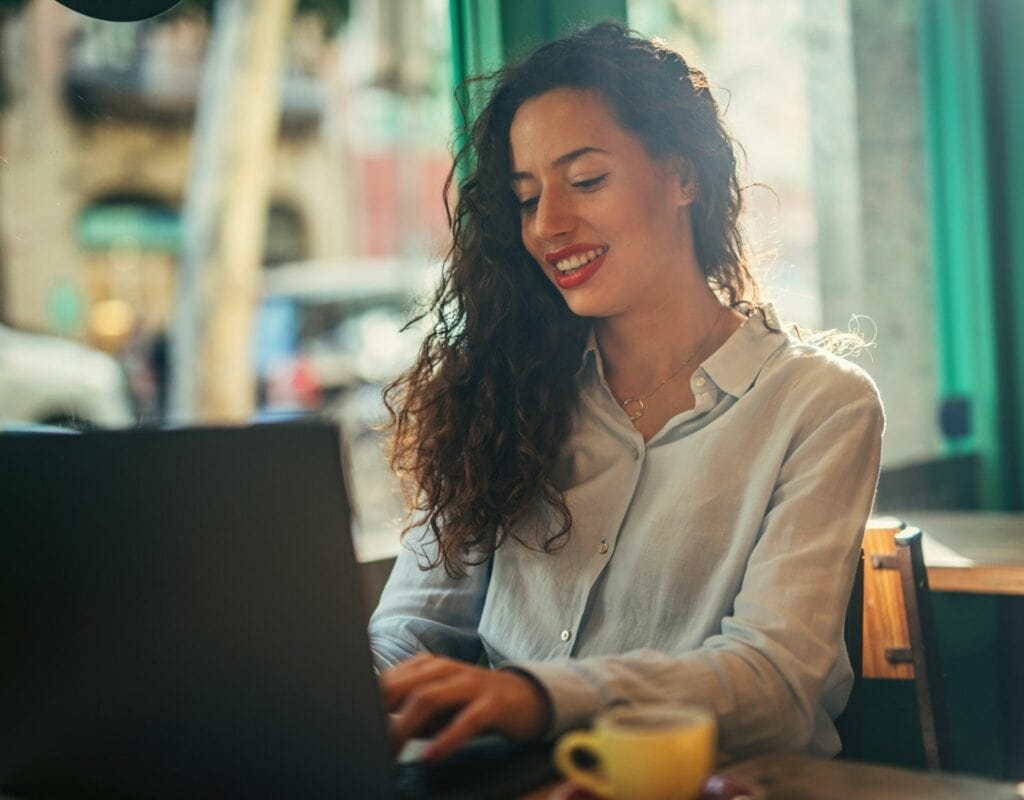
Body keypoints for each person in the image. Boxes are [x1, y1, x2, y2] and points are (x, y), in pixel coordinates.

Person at [369, 21, 884, 763]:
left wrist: (539, 700)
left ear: (684, 176)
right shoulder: (499, 391)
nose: (548, 224)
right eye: (524, 197)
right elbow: (409, 630)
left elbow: (774, 685)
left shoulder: (819, 405)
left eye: (586, 181)